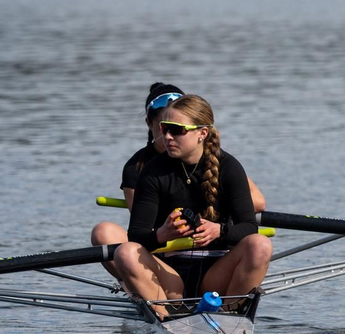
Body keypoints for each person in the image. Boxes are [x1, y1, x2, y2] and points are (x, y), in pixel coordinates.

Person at [92, 94, 272, 316]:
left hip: (217, 274)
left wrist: (220, 231)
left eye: (176, 130)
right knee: (126, 252)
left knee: (260, 245)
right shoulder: (152, 172)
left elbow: (248, 227)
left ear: (202, 133)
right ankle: (165, 316)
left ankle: (228, 316)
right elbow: (136, 234)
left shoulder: (230, 168)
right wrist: (162, 234)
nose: (166, 137)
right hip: (170, 276)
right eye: (164, 128)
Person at [121, 82, 265, 212]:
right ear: (149, 123)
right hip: (165, 236)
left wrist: (215, 219)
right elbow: (143, 223)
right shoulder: (137, 168)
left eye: (177, 129)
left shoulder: (219, 160)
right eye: (164, 127)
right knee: (104, 230)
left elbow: (258, 202)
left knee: (258, 242)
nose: (169, 136)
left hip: (212, 233)